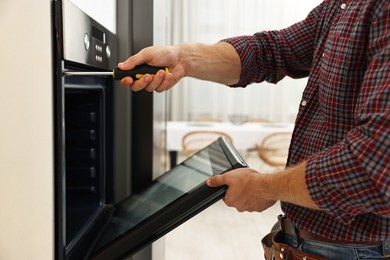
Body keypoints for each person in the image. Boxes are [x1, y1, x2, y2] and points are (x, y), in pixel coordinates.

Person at [119, 1, 389, 259]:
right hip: (310, 243)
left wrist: (264, 187)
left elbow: (374, 161)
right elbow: (271, 51)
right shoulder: (341, 5)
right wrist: (183, 59)